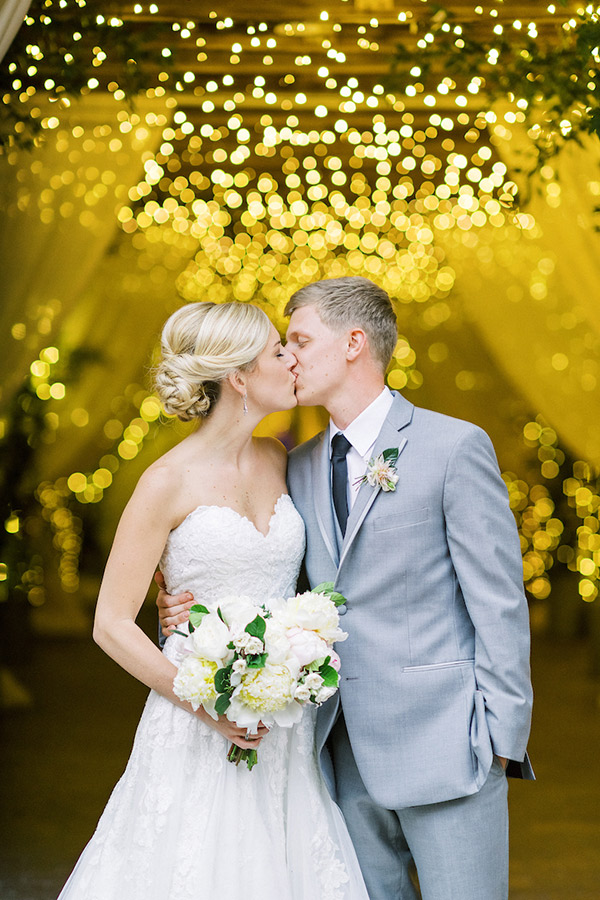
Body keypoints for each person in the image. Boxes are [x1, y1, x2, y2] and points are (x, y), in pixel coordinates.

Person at [159, 276, 534, 900]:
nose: (287, 356)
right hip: (334, 752)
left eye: (299, 340)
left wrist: (500, 737)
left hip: (449, 746)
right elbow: (266, 574)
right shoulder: (293, 463)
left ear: (355, 342)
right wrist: (184, 608)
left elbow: (498, 600)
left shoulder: (453, 447)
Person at [57, 300, 370, 900]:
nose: (292, 360)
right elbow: (110, 623)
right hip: (195, 722)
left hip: (284, 725)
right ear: (239, 376)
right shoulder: (165, 482)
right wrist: (208, 707)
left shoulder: (280, 459)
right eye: (280, 350)